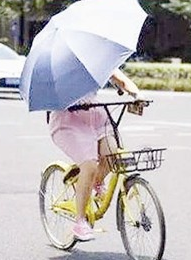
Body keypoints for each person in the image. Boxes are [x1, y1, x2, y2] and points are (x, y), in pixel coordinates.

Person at [48, 68, 143, 242]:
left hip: (97, 116)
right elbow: (49, 94)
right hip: (68, 122)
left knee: (114, 157)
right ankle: (80, 222)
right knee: (90, 165)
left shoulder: (95, 59)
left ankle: (95, 181)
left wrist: (137, 95)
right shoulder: (58, 66)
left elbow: (121, 80)